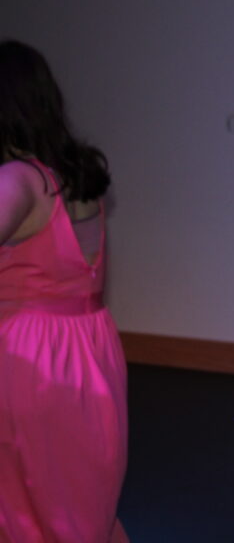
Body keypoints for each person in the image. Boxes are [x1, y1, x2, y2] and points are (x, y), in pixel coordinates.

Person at [0, 40, 129, 543]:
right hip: (88, 354)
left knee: (30, 507)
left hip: (31, 362)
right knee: (76, 502)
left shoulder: (19, 180)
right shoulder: (76, 179)